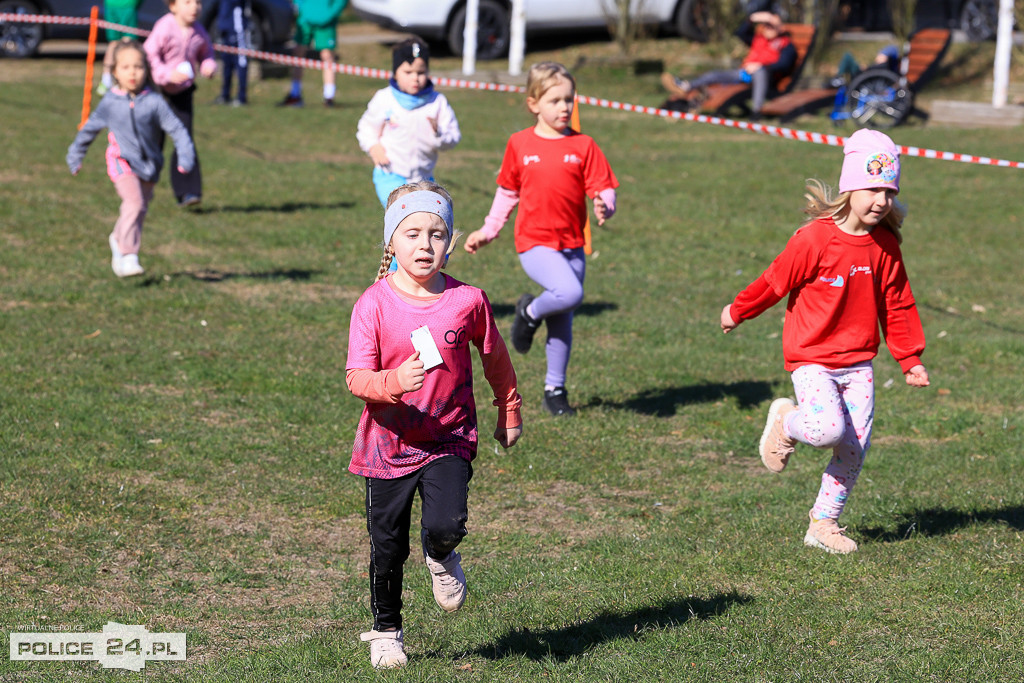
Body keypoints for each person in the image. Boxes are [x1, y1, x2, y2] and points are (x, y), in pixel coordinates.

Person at [719, 129, 930, 554]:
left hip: (858, 364)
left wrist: (910, 359)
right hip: (812, 358)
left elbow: (898, 303)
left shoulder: (885, 246)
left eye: (889, 191)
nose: (881, 201)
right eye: (872, 189)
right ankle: (786, 422)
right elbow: (774, 281)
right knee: (826, 430)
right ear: (851, 186)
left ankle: (823, 524)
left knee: (853, 450)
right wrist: (738, 310)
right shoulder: (814, 239)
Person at [346, 182, 523, 669]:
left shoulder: (468, 301)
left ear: (451, 240)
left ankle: (441, 553)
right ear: (392, 243)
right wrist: (394, 381)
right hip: (389, 444)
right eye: (412, 234)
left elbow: (495, 359)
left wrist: (509, 409)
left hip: (449, 436)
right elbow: (356, 376)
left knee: (446, 523)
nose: (425, 245)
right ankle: (387, 631)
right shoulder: (374, 304)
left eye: (437, 234)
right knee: (387, 545)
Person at [464, 62, 618, 418]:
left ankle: (555, 389)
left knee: (563, 317)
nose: (564, 107)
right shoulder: (520, 143)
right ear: (533, 102)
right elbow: (507, 192)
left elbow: (604, 187)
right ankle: (529, 311)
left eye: (569, 100)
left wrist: (604, 205)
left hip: (572, 245)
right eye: (554, 100)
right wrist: (489, 230)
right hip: (533, 242)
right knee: (570, 294)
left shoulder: (584, 145)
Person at [67, 39, 196, 278]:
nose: (133, 73)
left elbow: (177, 129)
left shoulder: (155, 102)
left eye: (138, 66)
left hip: (149, 165)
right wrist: (75, 155)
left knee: (139, 208)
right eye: (126, 67)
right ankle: (129, 255)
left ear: (146, 70)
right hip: (121, 160)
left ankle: (117, 238)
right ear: (115, 71)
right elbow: (90, 129)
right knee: (134, 203)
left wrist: (186, 155)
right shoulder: (110, 102)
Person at [356, 38, 462, 208]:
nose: (415, 78)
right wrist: (373, 147)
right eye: (408, 72)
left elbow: (453, 137)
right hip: (390, 174)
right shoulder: (384, 98)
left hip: (424, 179)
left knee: (423, 221)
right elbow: (366, 128)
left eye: (420, 72)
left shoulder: (437, 102)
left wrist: (438, 133)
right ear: (395, 73)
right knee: (403, 218)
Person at [143, 0, 216, 208]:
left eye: (198, 2)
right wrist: (166, 75)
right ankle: (143, 184)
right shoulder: (164, 26)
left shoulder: (199, 31)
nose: (194, 7)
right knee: (154, 141)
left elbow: (207, 53)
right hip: (158, 94)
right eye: (187, 2)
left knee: (184, 140)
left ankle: (188, 192)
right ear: (173, 6)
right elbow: (149, 54)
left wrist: (208, 66)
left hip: (183, 95)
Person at [660, 11, 795, 118]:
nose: (768, 28)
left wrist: (761, 66)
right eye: (766, 25)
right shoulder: (758, 39)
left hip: (765, 77)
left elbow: (784, 64)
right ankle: (685, 86)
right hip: (744, 75)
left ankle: (756, 111)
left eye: (771, 25)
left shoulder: (785, 44)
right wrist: (751, 19)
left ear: (779, 27)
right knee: (715, 75)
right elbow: (740, 33)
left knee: (759, 72)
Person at [278, 0, 348, 107]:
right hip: (305, 19)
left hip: (326, 22)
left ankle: (329, 97)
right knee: (298, 54)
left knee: (327, 56)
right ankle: (295, 95)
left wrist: (330, 13)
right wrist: (302, 8)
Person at [99, 0, 143, 94]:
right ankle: (121, 82)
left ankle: (106, 80)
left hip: (111, 4)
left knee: (113, 43)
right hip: (127, 5)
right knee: (128, 42)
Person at [215, 0, 250, 106]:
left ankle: (241, 96)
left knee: (241, 63)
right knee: (227, 64)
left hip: (237, 29)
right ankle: (225, 95)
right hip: (225, 28)